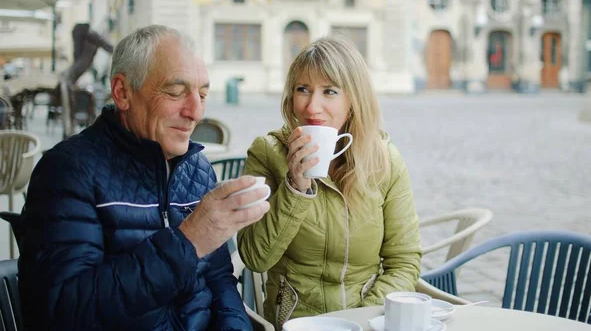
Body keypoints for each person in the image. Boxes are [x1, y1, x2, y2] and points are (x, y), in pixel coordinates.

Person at [19, 25, 270, 330]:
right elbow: (65, 311)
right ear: (123, 93)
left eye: (202, 94)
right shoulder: (66, 172)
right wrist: (188, 241)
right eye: (176, 92)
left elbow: (219, 279)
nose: (195, 111)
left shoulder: (198, 168)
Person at [237, 35, 422, 329]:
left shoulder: (384, 161)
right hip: (297, 323)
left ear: (354, 99)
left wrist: (361, 320)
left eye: (330, 92)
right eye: (303, 90)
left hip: (365, 320)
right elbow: (256, 259)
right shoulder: (267, 153)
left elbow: (404, 260)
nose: (312, 107)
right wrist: (295, 187)